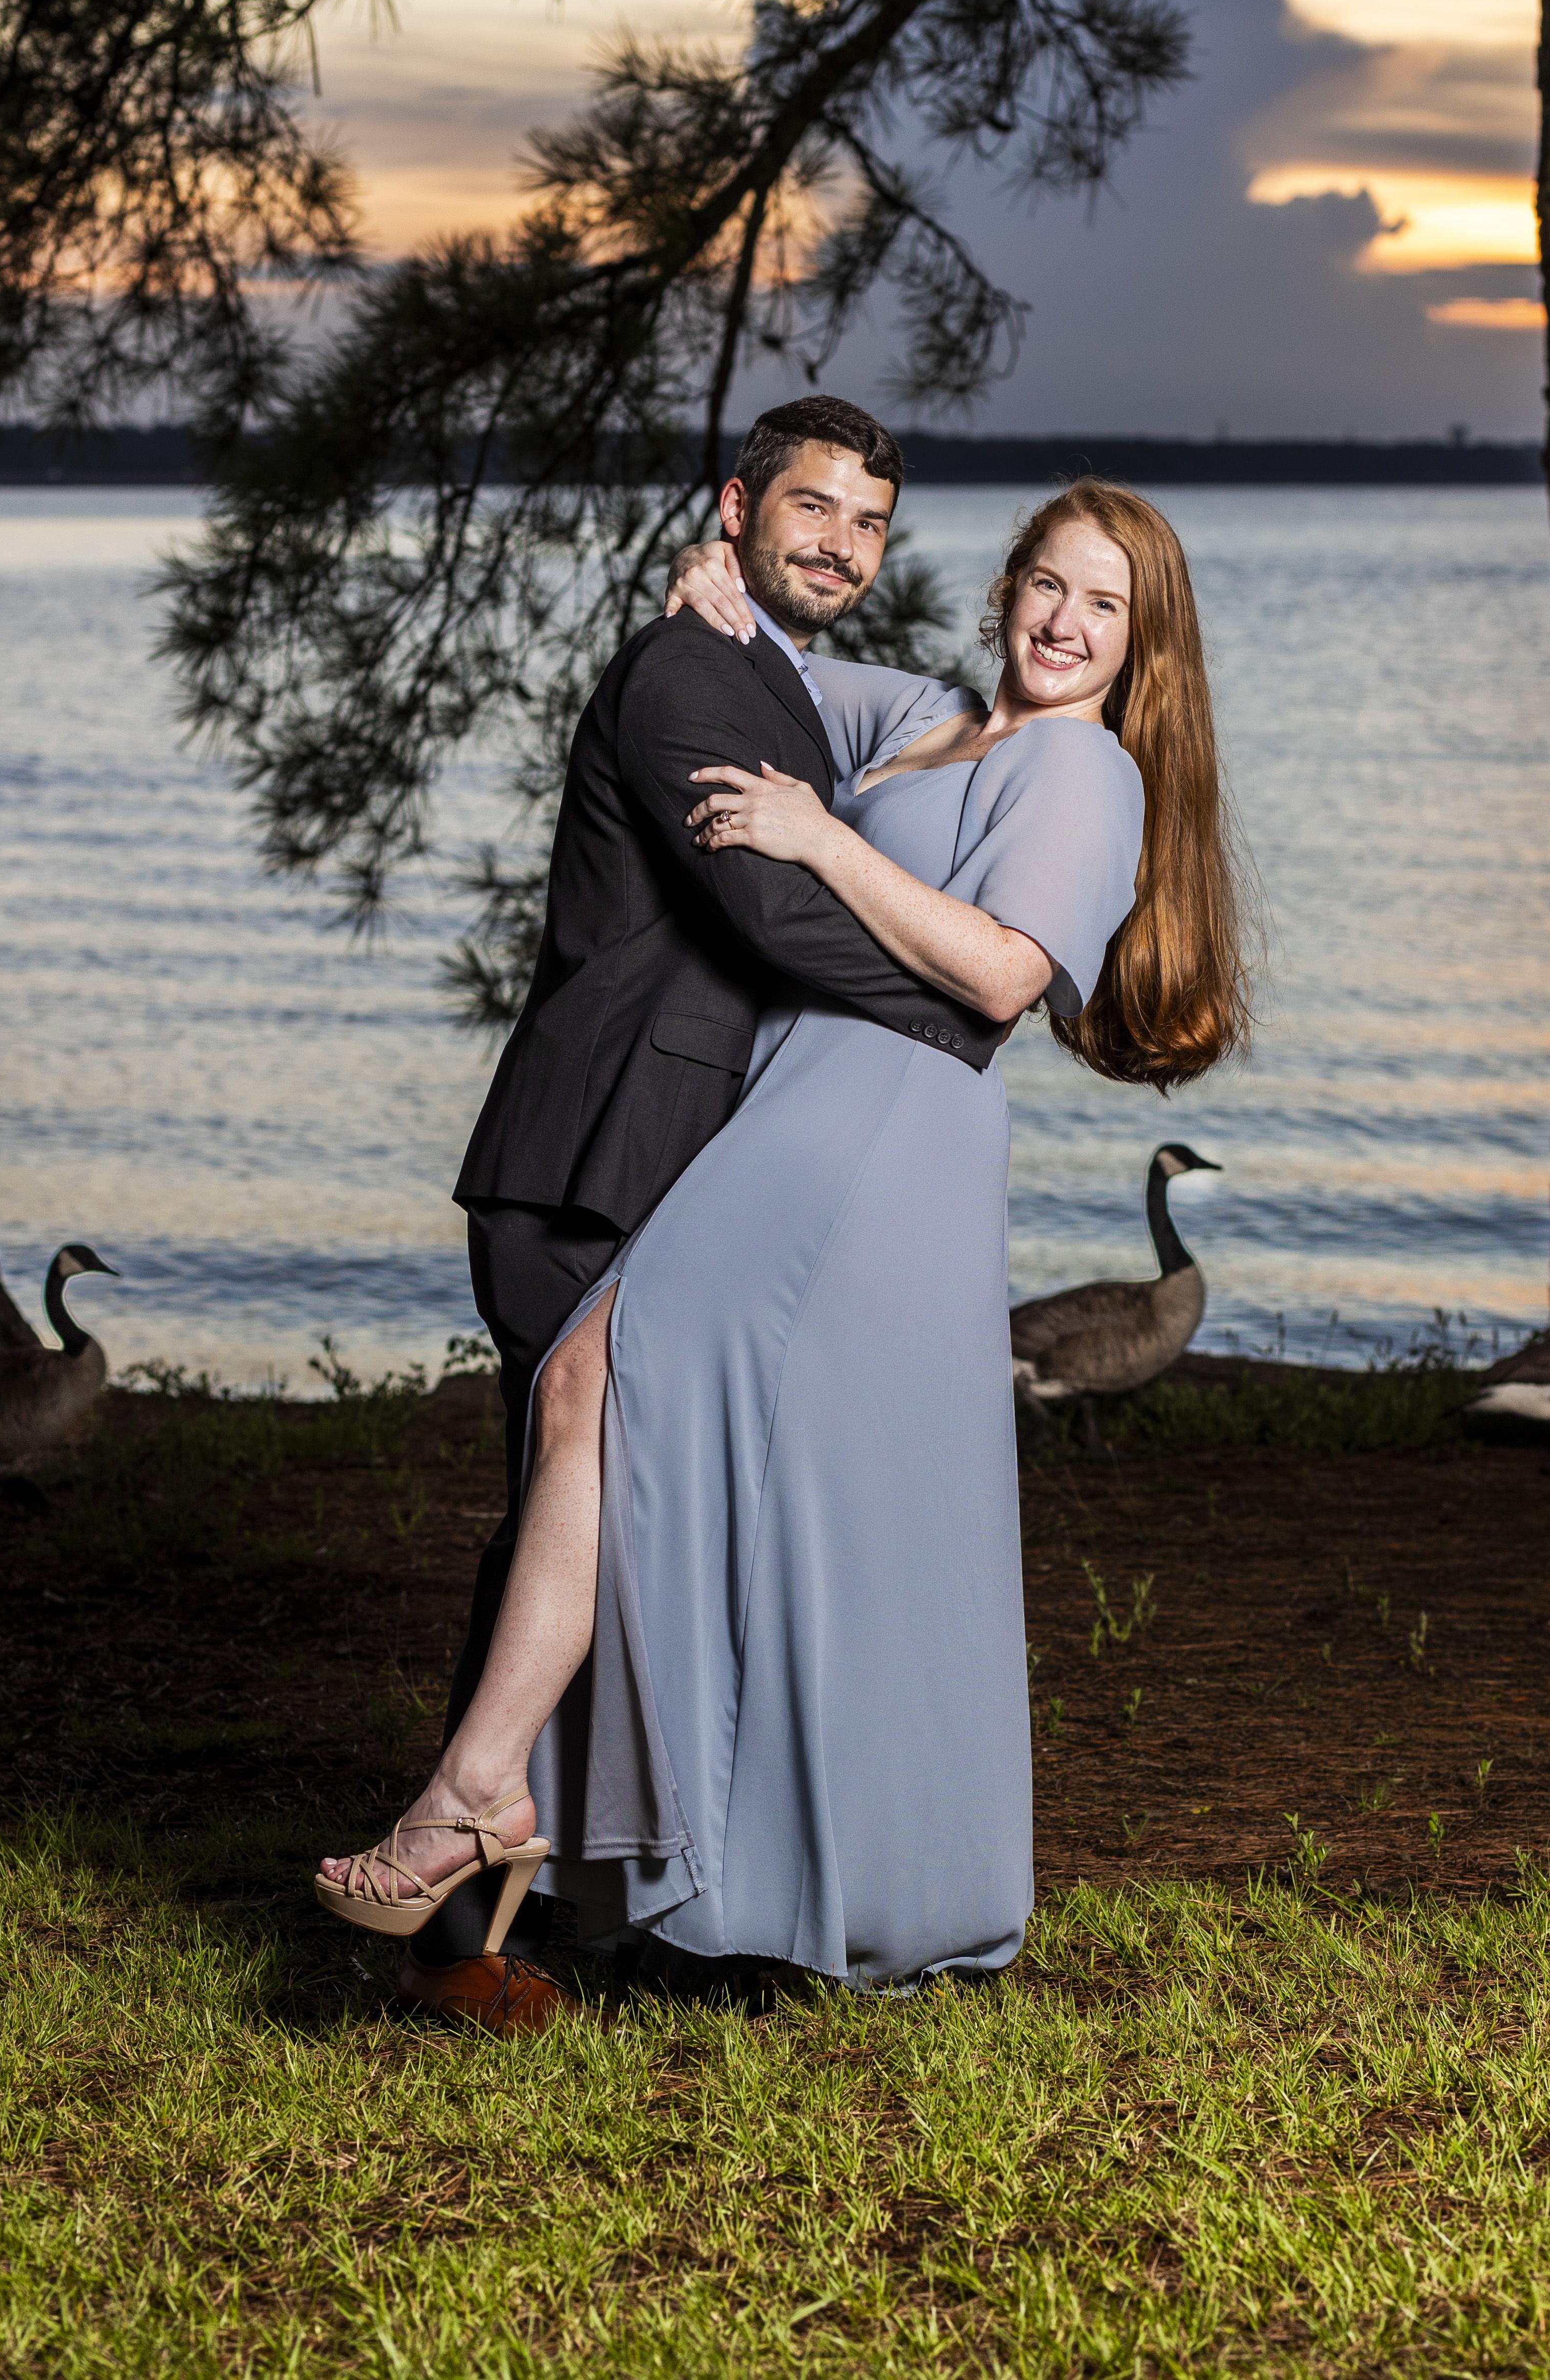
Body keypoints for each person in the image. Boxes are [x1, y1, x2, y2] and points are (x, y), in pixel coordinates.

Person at [320, 463, 1249, 2006]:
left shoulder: (1086, 773)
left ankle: (478, 1803)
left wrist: (821, 841)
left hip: (882, 1125)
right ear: (1005, 587)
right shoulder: (930, 713)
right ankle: (596, 1840)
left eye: (1107, 604)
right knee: (695, 1451)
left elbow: (1003, 973)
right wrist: (715, 581)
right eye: (1048, 583)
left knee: (605, 1385)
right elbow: (770, 659)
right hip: (791, 1102)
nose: (1066, 623)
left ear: (1143, 640)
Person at [384, 397, 1008, 2021]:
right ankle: (458, 1939)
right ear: (737, 507)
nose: (841, 546)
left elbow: (959, 722)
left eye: (868, 523)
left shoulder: (783, 680)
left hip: (685, 1163)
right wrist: (969, 1004)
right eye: (811, 508)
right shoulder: (685, 674)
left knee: (643, 1527)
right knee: (566, 1517)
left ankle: (623, 1898)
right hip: (594, 1155)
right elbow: (771, 913)